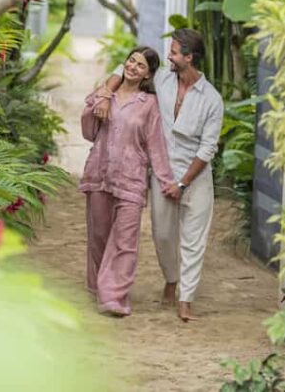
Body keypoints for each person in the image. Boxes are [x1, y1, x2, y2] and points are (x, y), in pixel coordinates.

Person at [92, 29, 223, 322]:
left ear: (189, 57)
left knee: (193, 240)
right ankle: (171, 279)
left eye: (174, 52)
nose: (169, 56)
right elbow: (121, 70)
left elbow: (208, 148)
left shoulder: (212, 99)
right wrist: (105, 92)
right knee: (163, 235)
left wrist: (184, 183)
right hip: (163, 172)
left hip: (196, 176)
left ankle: (186, 300)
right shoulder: (161, 79)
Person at [80, 46, 179, 317]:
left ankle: (114, 295)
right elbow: (88, 132)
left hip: (132, 179)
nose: (133, 67)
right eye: (131, 61)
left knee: (126, 240)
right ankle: (99, 284)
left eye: (141, 66)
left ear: (148, 75)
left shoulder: (148, 105)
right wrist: (97, 102)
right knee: (98, 236)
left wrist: (166, 180)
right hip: (99, 173)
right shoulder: (105, 94)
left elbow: (156, 145)